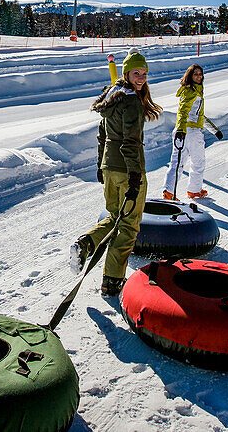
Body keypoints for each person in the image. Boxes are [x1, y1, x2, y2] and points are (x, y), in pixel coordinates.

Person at [71, 49, 162, 297]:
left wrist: (101, 165)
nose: (141, 78)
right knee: (129, 226)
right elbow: (130, 142)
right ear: (126, 73)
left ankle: (87, 243)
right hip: (127, 169)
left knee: (114, 216)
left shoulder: (112, 95)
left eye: (144, 73)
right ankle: (112, 281)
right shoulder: (131, 100)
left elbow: (103, 136)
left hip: (109, 168)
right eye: (136, 73)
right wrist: (135, 176)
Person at [162, 64, 223, 200]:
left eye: (200, 74)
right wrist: (182, 130)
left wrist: (215, 130)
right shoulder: (191, 92)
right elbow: (183, 112)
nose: (199, 76)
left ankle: (169, 191)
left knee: (177, 162)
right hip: (191, 132)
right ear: (190, 75)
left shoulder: (191, 91)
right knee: (198, 161)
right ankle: (194, 190)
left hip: (183, 131)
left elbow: (198, 116)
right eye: (195, 74)